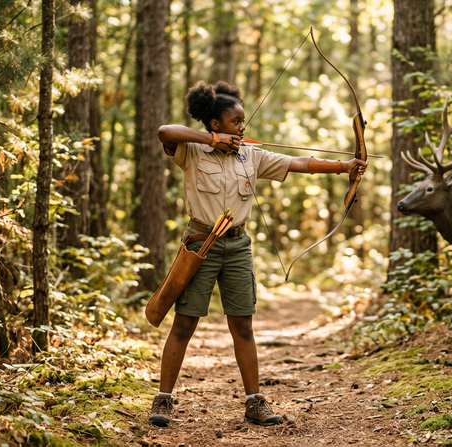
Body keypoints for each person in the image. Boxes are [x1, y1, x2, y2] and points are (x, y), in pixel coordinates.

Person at [148, 81, 367, 428]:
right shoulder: (191, 151)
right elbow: (164, 131)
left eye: (243, 121)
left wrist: (345, 168)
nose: (242, 127)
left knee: (243, 326)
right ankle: (163, 400)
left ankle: (254, 402)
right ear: (215, 124)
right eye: (235, 122)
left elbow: (298, 162)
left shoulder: (250, 155)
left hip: (236, 246)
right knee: (184, 323)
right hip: (200, 245)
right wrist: (210, 141)